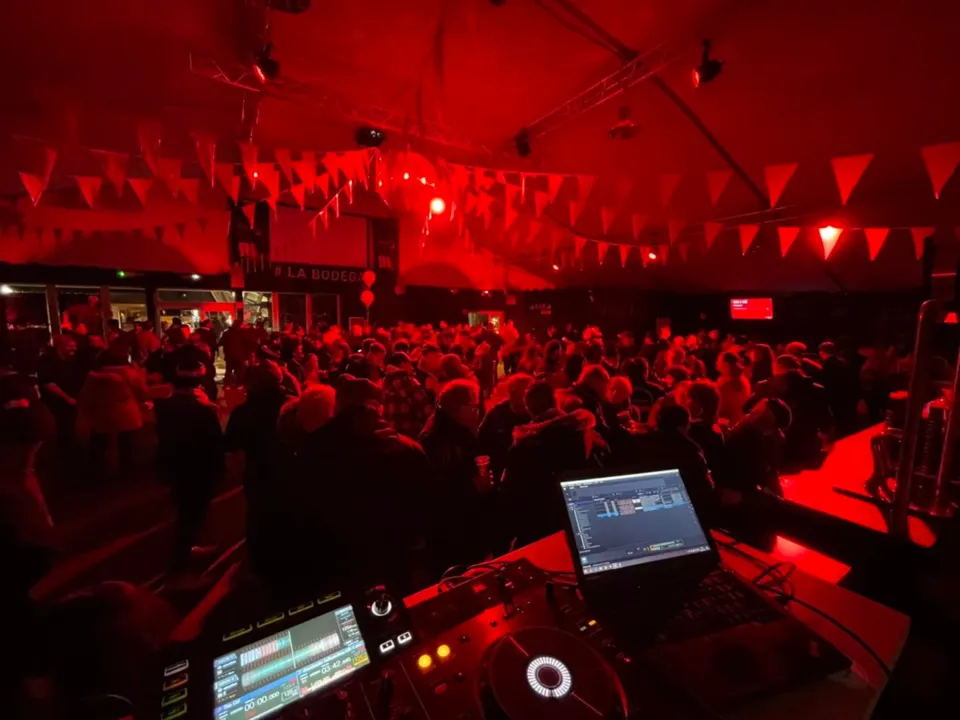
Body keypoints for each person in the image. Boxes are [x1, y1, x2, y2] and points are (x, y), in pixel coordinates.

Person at [279, 376, 446, 598]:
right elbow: (433, 509)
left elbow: (297, 514)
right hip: (395, 563)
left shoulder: (309, 452)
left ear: (337, 408)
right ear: (377, 407)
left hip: (335, 569)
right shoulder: (404, 448)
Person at [501, 381, 606, 546]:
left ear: (528, 408)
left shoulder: (523, 447)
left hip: (538, 531)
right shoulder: (583, 433)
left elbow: (510, 497)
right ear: (556, 402)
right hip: (581, 524)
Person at [153, 359, 224, 573]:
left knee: (185, 513)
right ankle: (180, 569)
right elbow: (215, 443)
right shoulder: (203, 409)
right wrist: (219, 469)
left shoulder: (165, 405)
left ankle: (187, 551)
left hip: (175, 466)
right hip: (197, 469)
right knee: (192, 516)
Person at [420, 380, 488, 561]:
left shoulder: (449, 429)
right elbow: (438, 485)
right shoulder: (440, 439)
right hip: (453, 528)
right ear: (460, 408)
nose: (476, 411)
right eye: (473, 406)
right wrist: (473, 485)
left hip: (457, 522)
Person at [745, 355, 833, 468]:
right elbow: (827, 422)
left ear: (778, 368)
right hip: (808, 449)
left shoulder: (767, 387)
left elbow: (747, 409)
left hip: (779, 451)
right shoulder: (816, 389)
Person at [77, 350, 146, 475]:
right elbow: (143, 389)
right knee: (127, 444)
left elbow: (85, 397)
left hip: (102, 415)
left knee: (99, 443)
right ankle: (127, 472)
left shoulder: (94, 376)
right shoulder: (128, 372)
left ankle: (96, 471)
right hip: (127, 414)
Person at [477, 373, 533, 484]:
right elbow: (480, 445)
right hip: (501, 475)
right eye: (525, 393)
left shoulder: (535, 414)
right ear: (512, 393)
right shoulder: (496, 415)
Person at [37, 335, 84, 459]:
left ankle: (68, 450)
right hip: (54, 399)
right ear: (60, 346)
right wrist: (67, 398)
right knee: (60, 424)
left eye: (75, 346)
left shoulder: (73, 360)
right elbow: (47, 383)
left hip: (71, 398)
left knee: (69, 424)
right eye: (70, 346)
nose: (74, 349)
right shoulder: (47, 360)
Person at [382, 352, 432, 439]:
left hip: (394, 434)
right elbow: (423, 408)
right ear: (403, 364)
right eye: (410, 364)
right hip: (412, 432)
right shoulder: (409, 382)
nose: (412, 368)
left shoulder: (386, 383)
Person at [716, 351, 751, 424]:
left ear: (726, 365)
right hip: (740, 420)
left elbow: (721, 408)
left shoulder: (726, 385)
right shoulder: (744, 379)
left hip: (728, 423)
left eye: (719, 362)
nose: (717, 364)